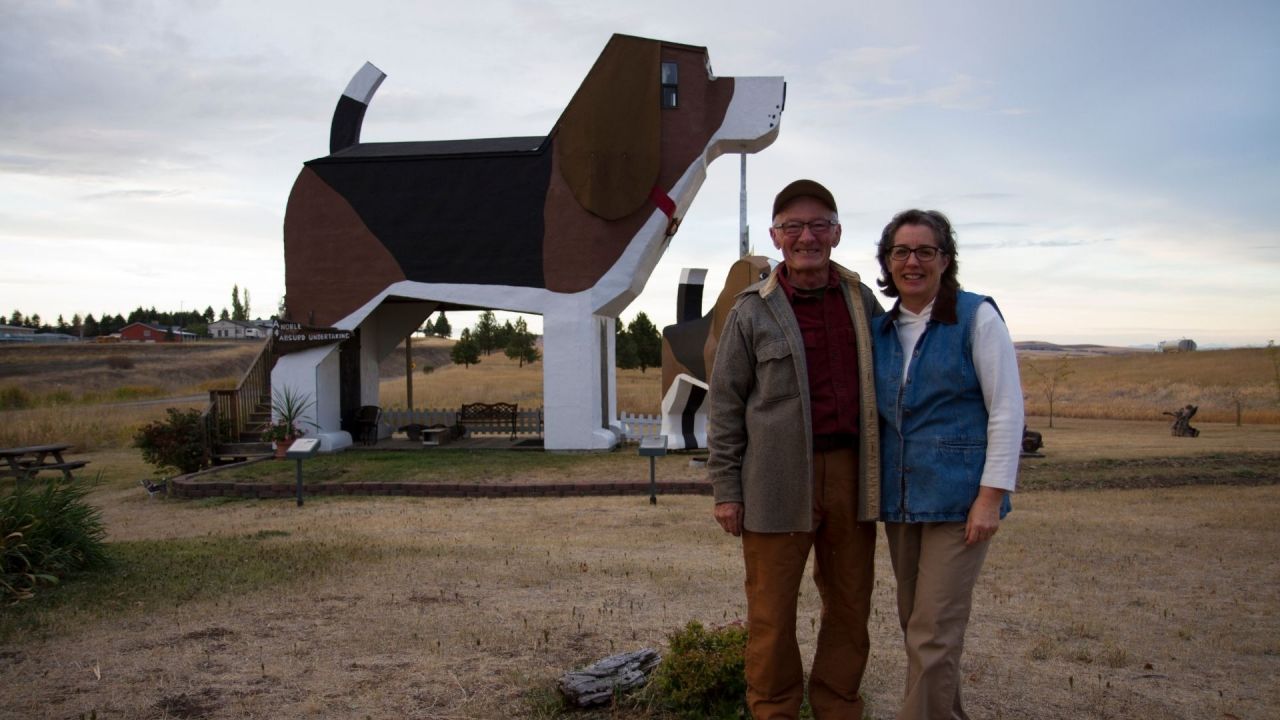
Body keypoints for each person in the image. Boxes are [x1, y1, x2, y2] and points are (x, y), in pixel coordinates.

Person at [707, 179, 883, 719]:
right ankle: (774, 710)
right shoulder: (751, 311)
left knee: (851, 607)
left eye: (818, 225)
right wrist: (726, 490)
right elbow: (726, 406)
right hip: (774, 482)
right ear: (776, 237)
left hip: (852, 478)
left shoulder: (862, 301)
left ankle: (837, 706)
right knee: (772, 613)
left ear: (836, 232)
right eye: (793, 227)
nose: (807, 236)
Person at [871, 209, 1024, 719]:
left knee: (933, 632)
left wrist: (991, 497)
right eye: (901, 252)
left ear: (945, 259)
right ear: (888, 262)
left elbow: (1006, 409)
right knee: (916, 625)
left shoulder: (977, 318)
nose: (912, 262)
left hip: (960, 503)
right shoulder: (881, 331)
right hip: (901, 502)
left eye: (925, 251)